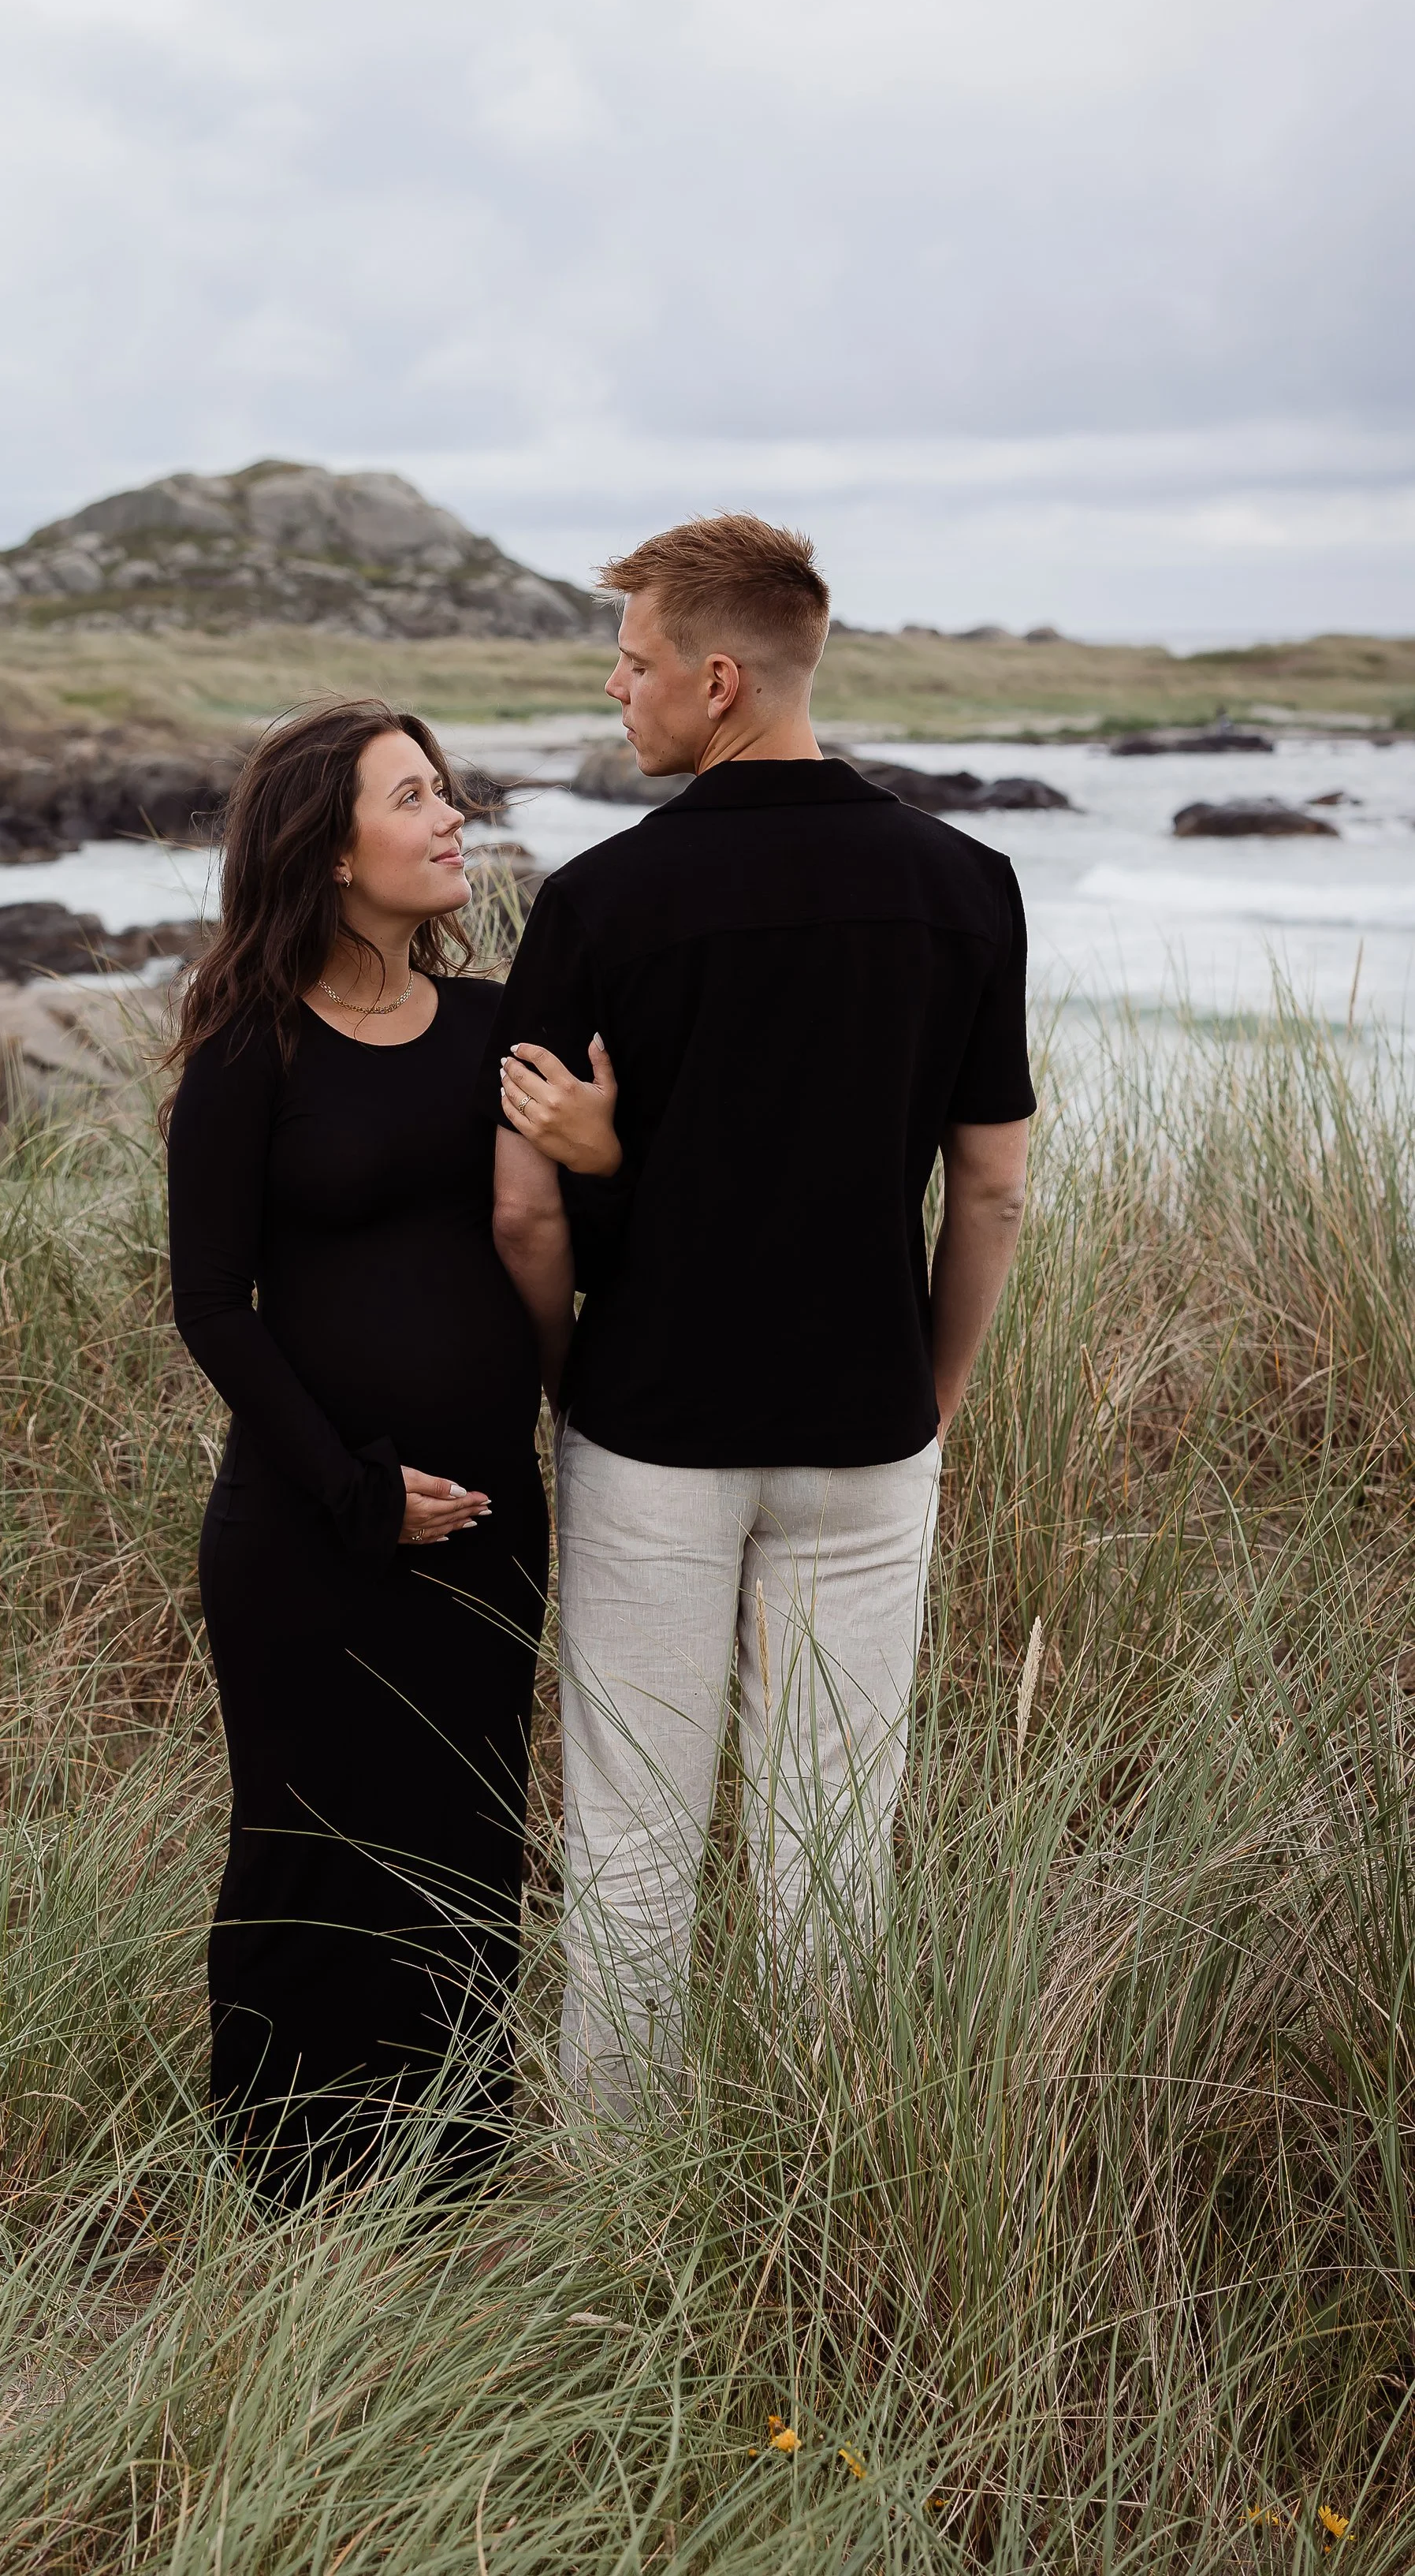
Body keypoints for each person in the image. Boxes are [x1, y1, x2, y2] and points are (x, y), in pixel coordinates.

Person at [490, 516, 1033, 2112]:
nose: (618, 687)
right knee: (828, 1845)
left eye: (638, 660)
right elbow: (988, 1190)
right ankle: (816, 2194)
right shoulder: (966, 886)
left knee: (634, 1844)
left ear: (717, 679)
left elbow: (524, 1206)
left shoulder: (597, 903)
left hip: (650, 1437)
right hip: (867, 1442)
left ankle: (617, 2212)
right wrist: (927, 1394)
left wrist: (560, 1386)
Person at [166, 699, 549, 2198]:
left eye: (446, 791)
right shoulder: (248, 1050)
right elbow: (213, 1306)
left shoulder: (494, 1020)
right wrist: (355, 1492)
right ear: (330, 848)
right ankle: (285, 2190)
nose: (453, 816)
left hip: (492, 1525)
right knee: (307, 1842)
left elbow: (563, 1214)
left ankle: (451, 2176)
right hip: (307, 1535)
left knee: (466, 1837)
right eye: (414, 795)